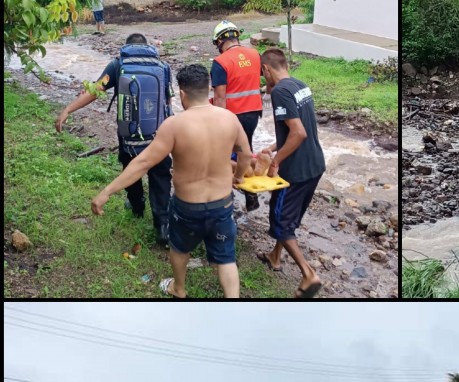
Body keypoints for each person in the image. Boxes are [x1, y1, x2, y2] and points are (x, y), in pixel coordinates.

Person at [91, 64, 253, 299]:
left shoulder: (174, 125)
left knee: (179, 248)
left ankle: (179, 288)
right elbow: (246, 154)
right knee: (226, 258)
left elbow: (143, 162)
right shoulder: (230, 119)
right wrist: (238, 177)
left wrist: (107, 191)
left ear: (183, 94)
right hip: (222, 204)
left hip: (188, 207)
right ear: (207, 90)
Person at [55, 33, 173, 245]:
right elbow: (167, 103)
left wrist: (68, 110)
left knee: (130, 168)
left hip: (129, 136)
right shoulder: (162, 66)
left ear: (126, 47)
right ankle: (163, 227)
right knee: (160, 178)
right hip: (159, 135)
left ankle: (137, 206)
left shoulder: (118, 65)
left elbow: (95, 91)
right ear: (146, 47)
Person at [259, 48, 326, 299]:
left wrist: (276, 160)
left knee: (279, 221)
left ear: (266, 69)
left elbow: (299, 133)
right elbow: (298, 127)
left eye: (262, 75)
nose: (263, 82)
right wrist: (274, 145)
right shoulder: (300, 86)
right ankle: (275, 257)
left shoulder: (280, 92)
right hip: (315, 165)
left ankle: (308, 274)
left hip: (295, 172)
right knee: (288, 217)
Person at [211, 20, 264, 212]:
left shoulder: (221, 62)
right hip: (254, 114)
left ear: (219, 42)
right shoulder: (255, 55)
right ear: (236, 36)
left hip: (234, 117)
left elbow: (219, 97)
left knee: (223, 156)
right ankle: (251, 196)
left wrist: (218, 125)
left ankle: (228, 199)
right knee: (244, 149)